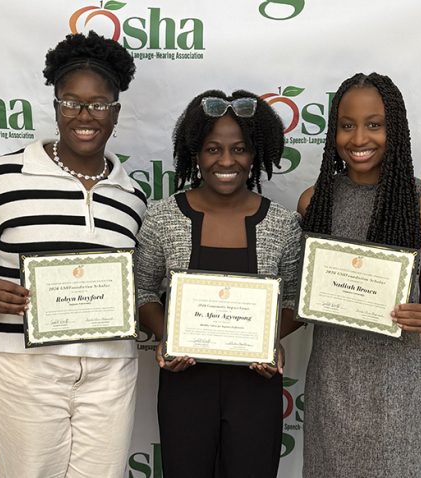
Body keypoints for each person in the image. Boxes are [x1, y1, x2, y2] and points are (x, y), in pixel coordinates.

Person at [0, 31, 146, 478]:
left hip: (110, 368)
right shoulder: (6, 175)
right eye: (71, 102)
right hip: (22, 365)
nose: (84, 115)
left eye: (98, 104)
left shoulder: (133, 196)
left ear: (116, 112)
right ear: (55, 107)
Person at [134, 90, 302, 478]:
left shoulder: (281, 223)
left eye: (239, 149)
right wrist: (167, 336)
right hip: (184, 382)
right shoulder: (163, 218)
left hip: (255, 384)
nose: (226, 161)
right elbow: (141, 291)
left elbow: (295, 300)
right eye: (213, 149)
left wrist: (268, 341)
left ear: (255, 154)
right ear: (195, 152)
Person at [297, 73, 421, 477]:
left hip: (395, 383)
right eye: (347, 126)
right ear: (334, 132)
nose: (359, 138)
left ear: (395, 129)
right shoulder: (314, 202)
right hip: (330, 378)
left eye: (374, 124)